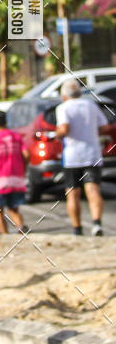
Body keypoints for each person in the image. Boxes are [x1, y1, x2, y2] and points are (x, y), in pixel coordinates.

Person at [55, 79, 111, 236]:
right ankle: (96, 223)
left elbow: (64, 128)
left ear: (64, 96)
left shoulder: (63, 108)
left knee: (73, 193)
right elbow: (105, 126)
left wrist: (57, 134)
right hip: (92, 154)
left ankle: (77, 228)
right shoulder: (91, 105)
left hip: (73, 156)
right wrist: (92, 133)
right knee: (93, 189)